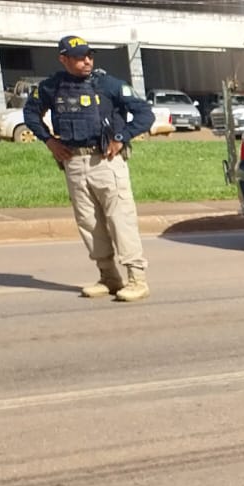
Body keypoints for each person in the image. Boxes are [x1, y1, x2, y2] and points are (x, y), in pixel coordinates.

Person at [21, 35, 155, 302]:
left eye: (90, 56)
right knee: (89, 222)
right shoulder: (53, 86)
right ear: (64, 59)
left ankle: (137, 279)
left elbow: (144, 113)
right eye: (80, 57)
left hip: (106, 162)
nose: (87, 61)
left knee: (120, 219)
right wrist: (49, 141)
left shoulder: (108, 84)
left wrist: (121, 138)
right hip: (74, 162)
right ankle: (109, 276)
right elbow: (30, 113)